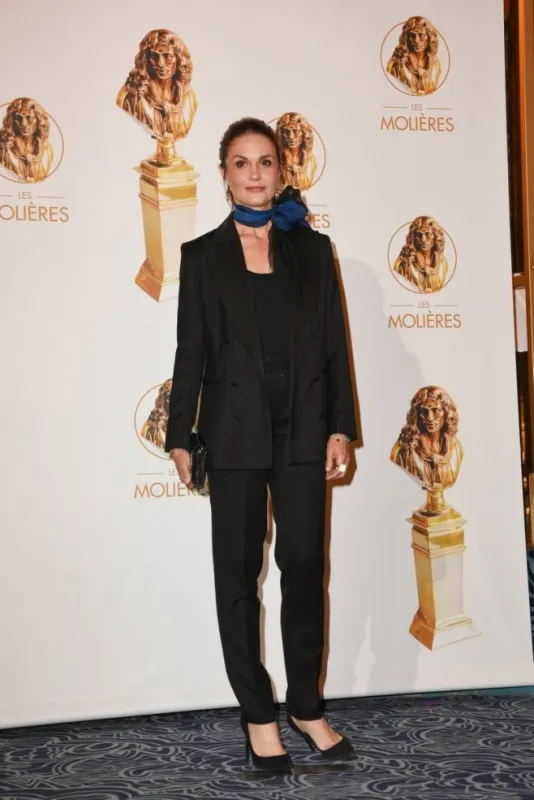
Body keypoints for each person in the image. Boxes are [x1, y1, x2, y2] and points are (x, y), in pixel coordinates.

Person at [165, 117, 357, 772]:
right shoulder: (200, 257)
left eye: (265, 161)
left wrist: (340, 425)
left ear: (281, 170)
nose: (254, 173)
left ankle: (306, 706)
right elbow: (190, 351)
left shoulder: (314, 250)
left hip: (303, 427)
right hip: (235, 429)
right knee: (237, 577)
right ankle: (257, 714)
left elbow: (334, 345)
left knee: (305, 568)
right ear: (224, 173)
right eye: (241, 162)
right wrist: (179, 434)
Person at [116, 29, 198, 140]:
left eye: (167, 56)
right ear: (146, 59)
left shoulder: (188, 96)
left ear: (179, 59)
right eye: (154, 56)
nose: (160, 63)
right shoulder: (134, 97)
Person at [390, 385, 463, 489]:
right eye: (424, 411)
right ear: (417, 414)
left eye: (436, 410)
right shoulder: (407, 450)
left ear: (446, 412)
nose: (430, 418)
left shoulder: (455, 448)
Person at [0, 97, 54, 183]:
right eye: (19, 118)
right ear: (12, 121)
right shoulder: (4, 148)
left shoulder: (46, 148)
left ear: (39, 120)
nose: (23, 124)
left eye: (29, 118)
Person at [386, 16, 442, 96]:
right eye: (412, 35)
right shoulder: (398, 63)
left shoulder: (435, 63)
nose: (416, 40)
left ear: (429, 37)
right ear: (407, 38)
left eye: (421, 35)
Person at [393, 216, 449, 293]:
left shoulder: (442, 262)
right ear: (413, 237)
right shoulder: (404, 262)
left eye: (428, 234)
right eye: (419, 235)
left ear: (436, 236)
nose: (423, 239)